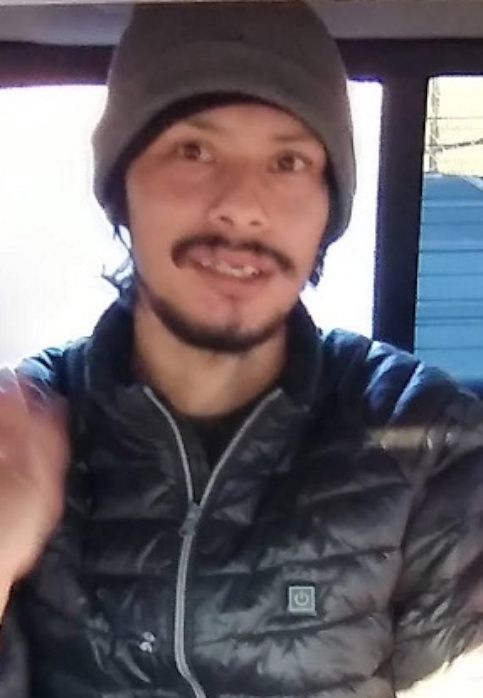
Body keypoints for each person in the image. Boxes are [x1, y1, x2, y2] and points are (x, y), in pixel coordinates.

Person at [1, 2, 483, 696]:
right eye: (193, 151)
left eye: (288, 162)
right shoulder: (21, 430)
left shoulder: (425, 437)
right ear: (121, 187)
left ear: (327, 207)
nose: (242, 206)